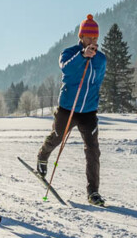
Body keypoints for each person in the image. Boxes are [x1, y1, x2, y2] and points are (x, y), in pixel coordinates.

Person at [36, 14, 108, 206]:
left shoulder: (101, 60)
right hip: (68, 108)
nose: (92, 42)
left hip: (89, 112)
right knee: (57, 137)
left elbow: (97, 82)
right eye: (89, 38)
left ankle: (93, 192)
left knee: (93, 150)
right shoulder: (69, 53)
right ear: (81, 37)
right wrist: (83, 57)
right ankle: (43, 155)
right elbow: (66, 70)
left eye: (95, 39)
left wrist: (94, 101)